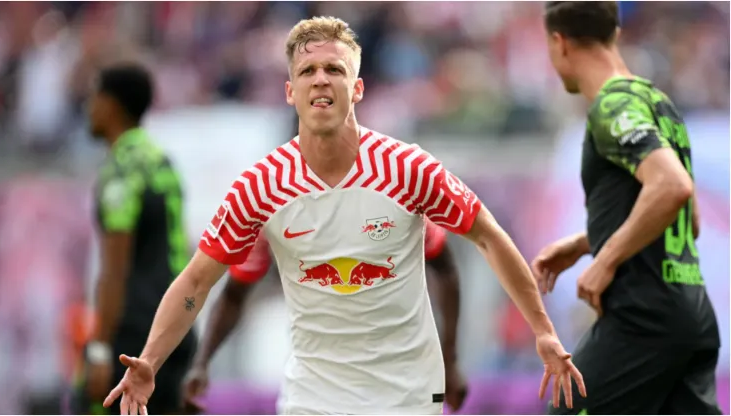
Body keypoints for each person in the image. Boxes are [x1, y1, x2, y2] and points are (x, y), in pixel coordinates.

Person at [103, 17, 585, 415]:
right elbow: (197, 282)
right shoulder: (261, 186)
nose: (320, 79)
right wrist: (150, 359)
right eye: (308, 70)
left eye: (333, 69)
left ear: (356, 89)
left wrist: (542, 331)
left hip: (406, 394)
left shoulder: (407, 168)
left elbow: (488, 238)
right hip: (314, 396)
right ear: (290, 92)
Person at [534, 2, 721, 414]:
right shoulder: (659, 102)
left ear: (558, 42)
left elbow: (673, 187)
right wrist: (589, 242)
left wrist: (605, 261)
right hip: (690, 313)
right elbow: (688, 216)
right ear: (614, 35)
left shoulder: (612, 107)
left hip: (643, 317)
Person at [181, 219, 469, 412]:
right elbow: (234, 294)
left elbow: (445, 269)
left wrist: (450, 359)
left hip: (397, 380)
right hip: (315, 386)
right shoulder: (272, 203)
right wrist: (201, 362)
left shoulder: (392, 183)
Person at [71, 63, 197, 415]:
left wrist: (99, 350)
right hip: (176, 325)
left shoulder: (121, 171)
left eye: (94, 98)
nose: (88, 107)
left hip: (133, 335)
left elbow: (115, 267)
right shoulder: (162, 162)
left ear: (111, 105)